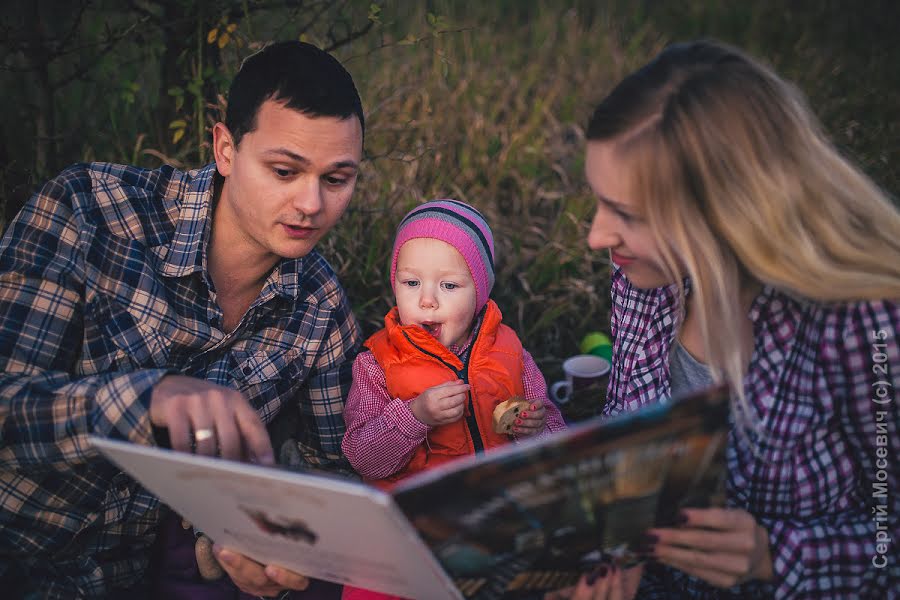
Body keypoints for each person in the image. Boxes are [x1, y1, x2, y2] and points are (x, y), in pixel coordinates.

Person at [0, 41, 365, 599]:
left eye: (336, 179)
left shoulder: (321, 311)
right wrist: (146, 400)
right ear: (224, 149)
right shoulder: (89, 211)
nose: (311, 203)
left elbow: (334, 474)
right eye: (285, 171)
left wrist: (264, 538)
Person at [551, 39, 900, 599]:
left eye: (627, 215)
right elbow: (630, 446)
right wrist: (615, 555)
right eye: (599, 202)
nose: (596, 235)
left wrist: (773, 557)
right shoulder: (646, 279)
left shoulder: (863, 326)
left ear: (728, 213)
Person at [341, 199, 567, 599]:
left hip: (495, 514)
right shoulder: (377, 364)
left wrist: (533, 429)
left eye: (449, 285)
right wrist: (414, 415)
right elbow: (362, 456)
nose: (427, 300)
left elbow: (554, 440)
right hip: (411, 526)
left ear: (479, 292)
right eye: (411, 283)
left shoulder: (511, 353)